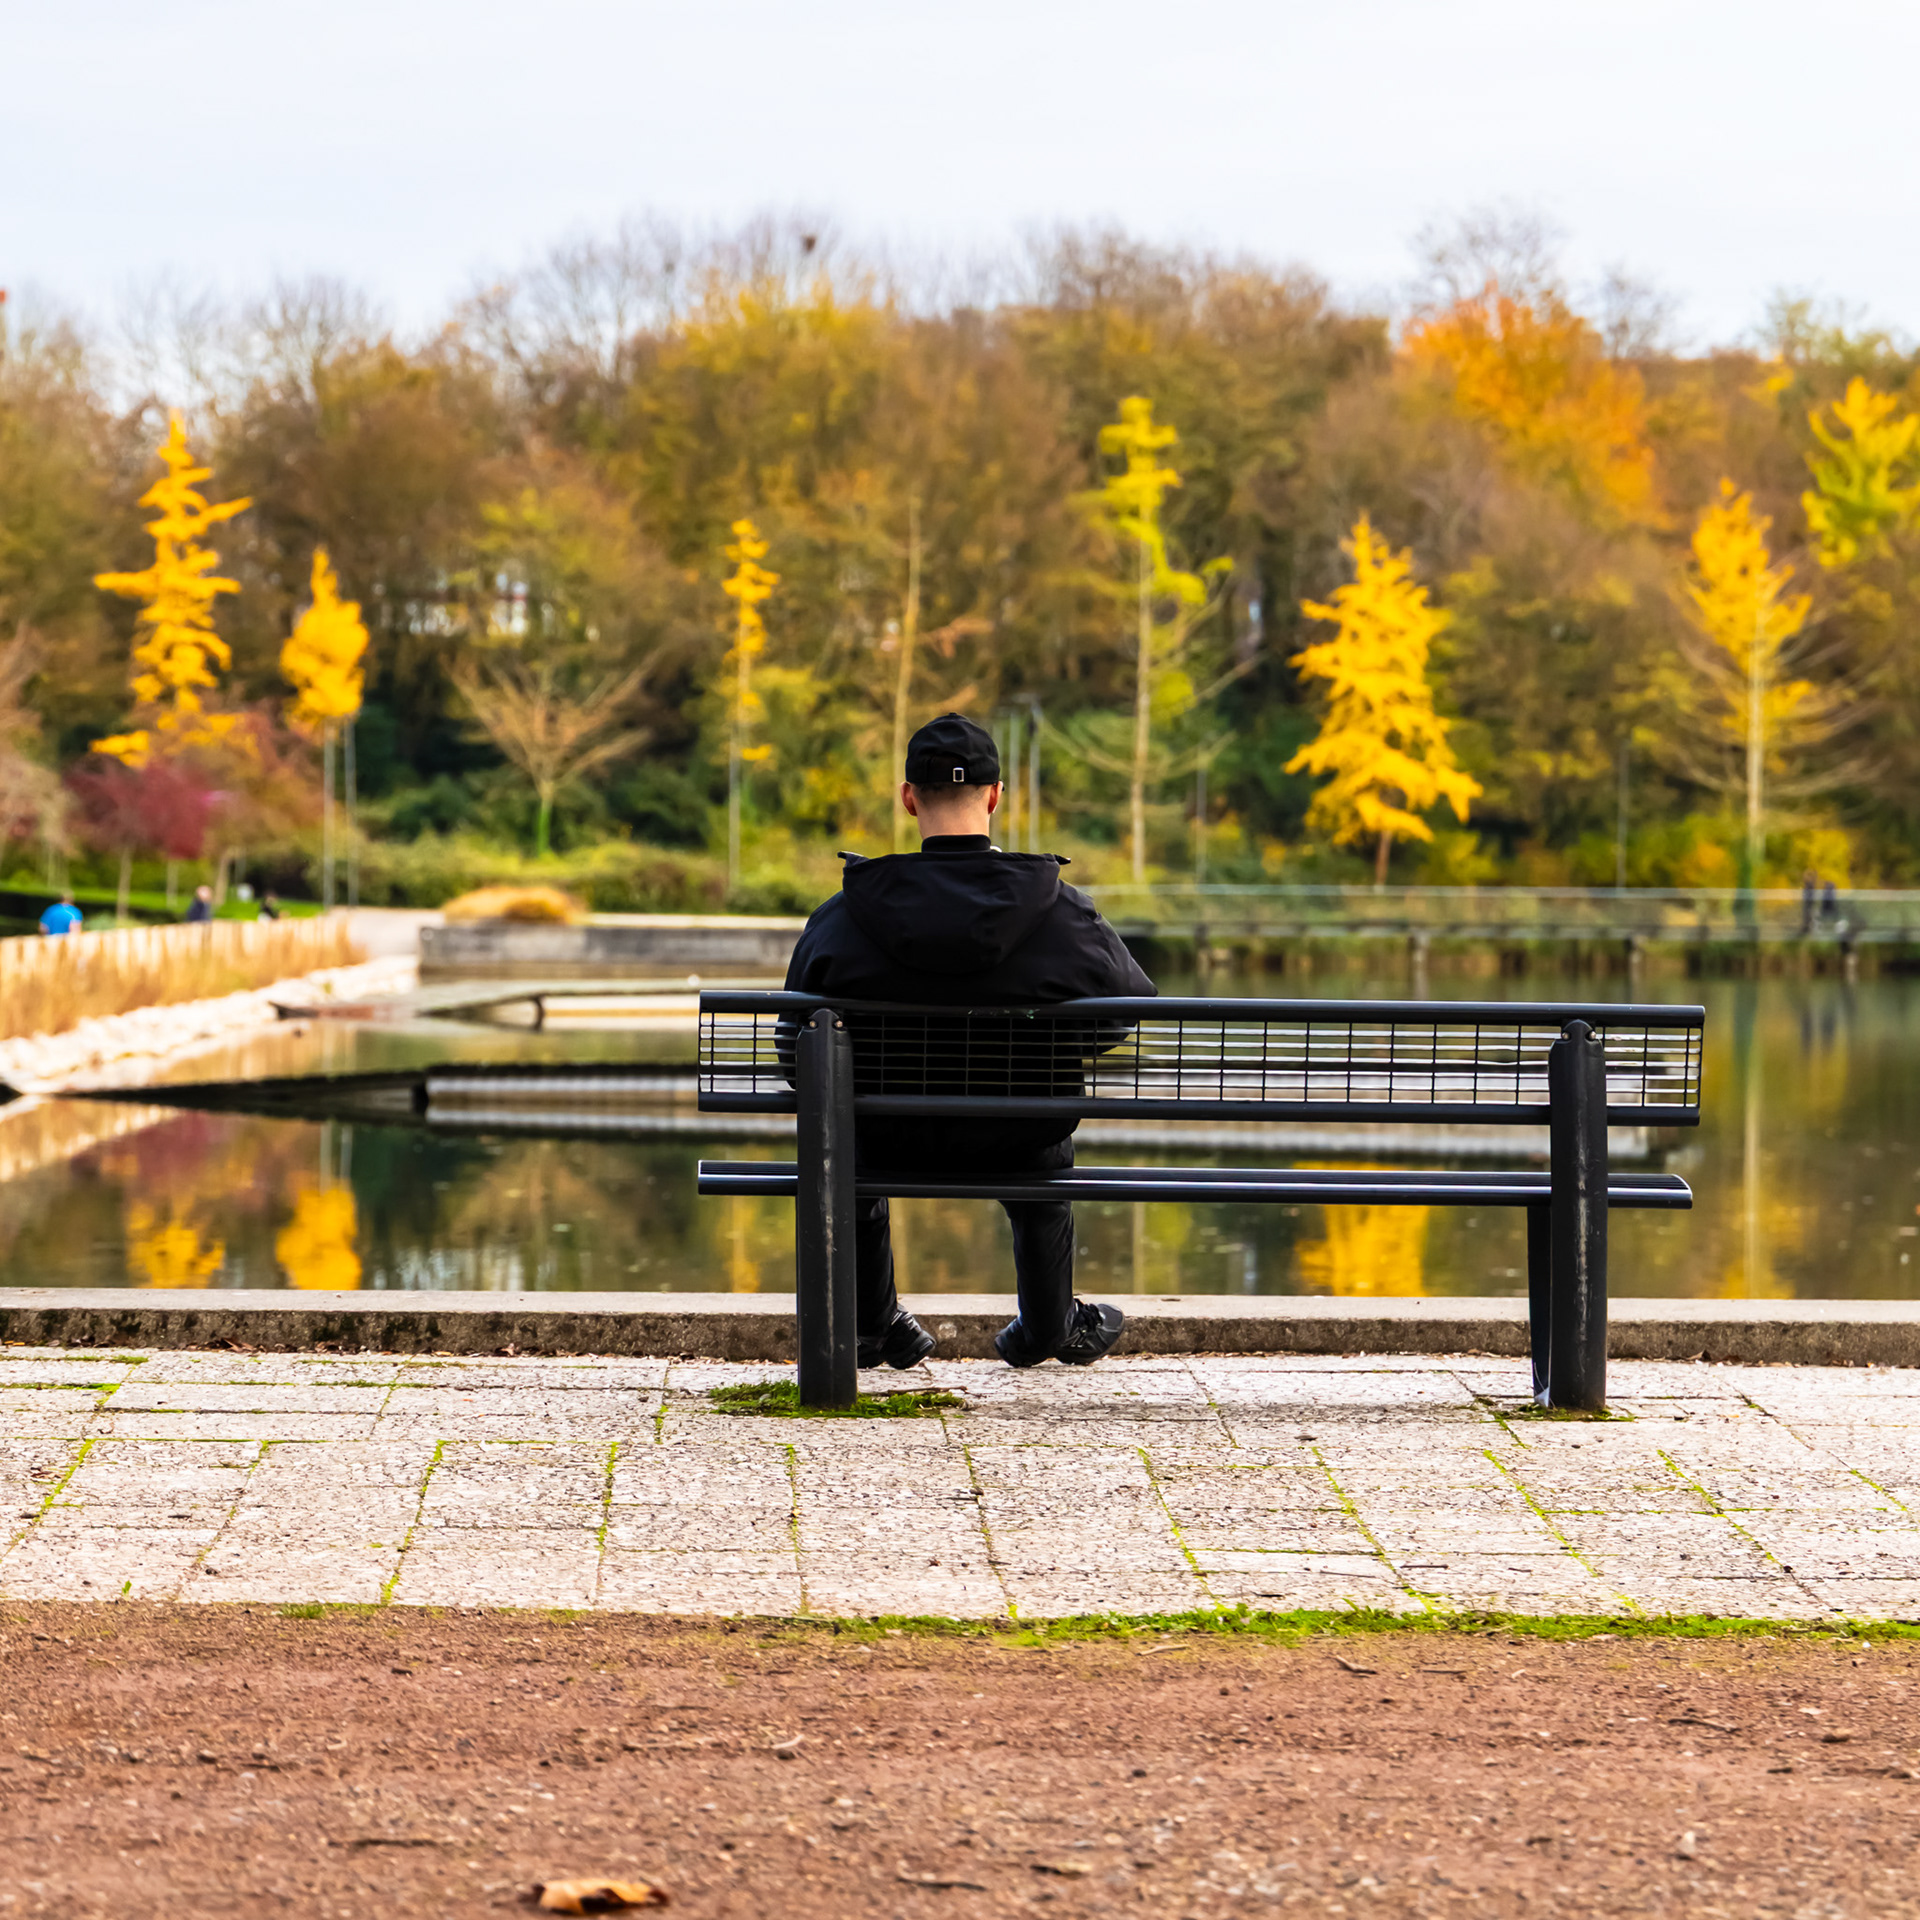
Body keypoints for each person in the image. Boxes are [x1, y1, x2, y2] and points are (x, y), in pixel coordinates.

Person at [783, 712, 1155, 1371]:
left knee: (847, 1136)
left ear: (908, 799)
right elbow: (1124, 1015)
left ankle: (875, 1325)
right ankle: (1046, 1326)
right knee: (1045, 1141)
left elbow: (797, 1050)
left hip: (888, 1137)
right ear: (995, 796)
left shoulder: (844, 915)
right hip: (1018, 1134)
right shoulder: (1062, 910)